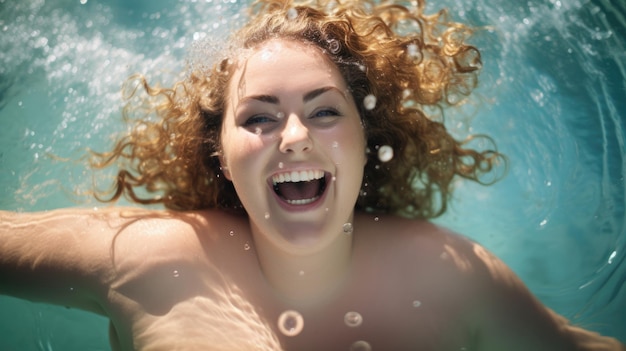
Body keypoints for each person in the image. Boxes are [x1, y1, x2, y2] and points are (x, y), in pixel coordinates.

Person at [1, 0, 624, 350]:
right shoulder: (146, 258)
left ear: (366, 141)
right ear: (218, 152)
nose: (295, 137)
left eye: (325, 111)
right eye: (259, 118)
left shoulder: (447, 273)